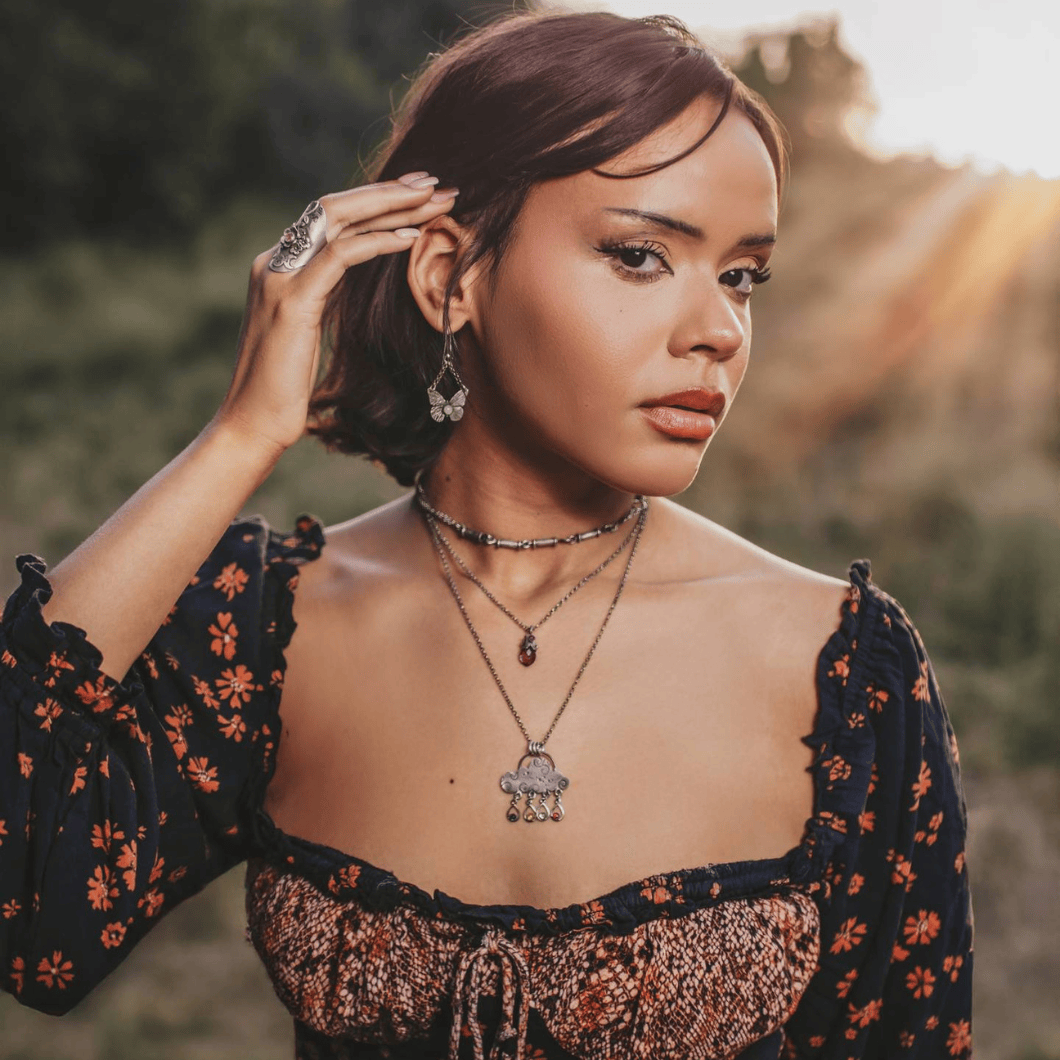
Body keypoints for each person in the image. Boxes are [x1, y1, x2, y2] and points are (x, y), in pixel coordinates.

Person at [0, 8, 973, 1058]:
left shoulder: (844, 667)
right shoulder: (269, 628)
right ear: (448, 279)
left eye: (741, 275)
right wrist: (243, 434)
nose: (720, 330)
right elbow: (31, 916)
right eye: (642, 255)